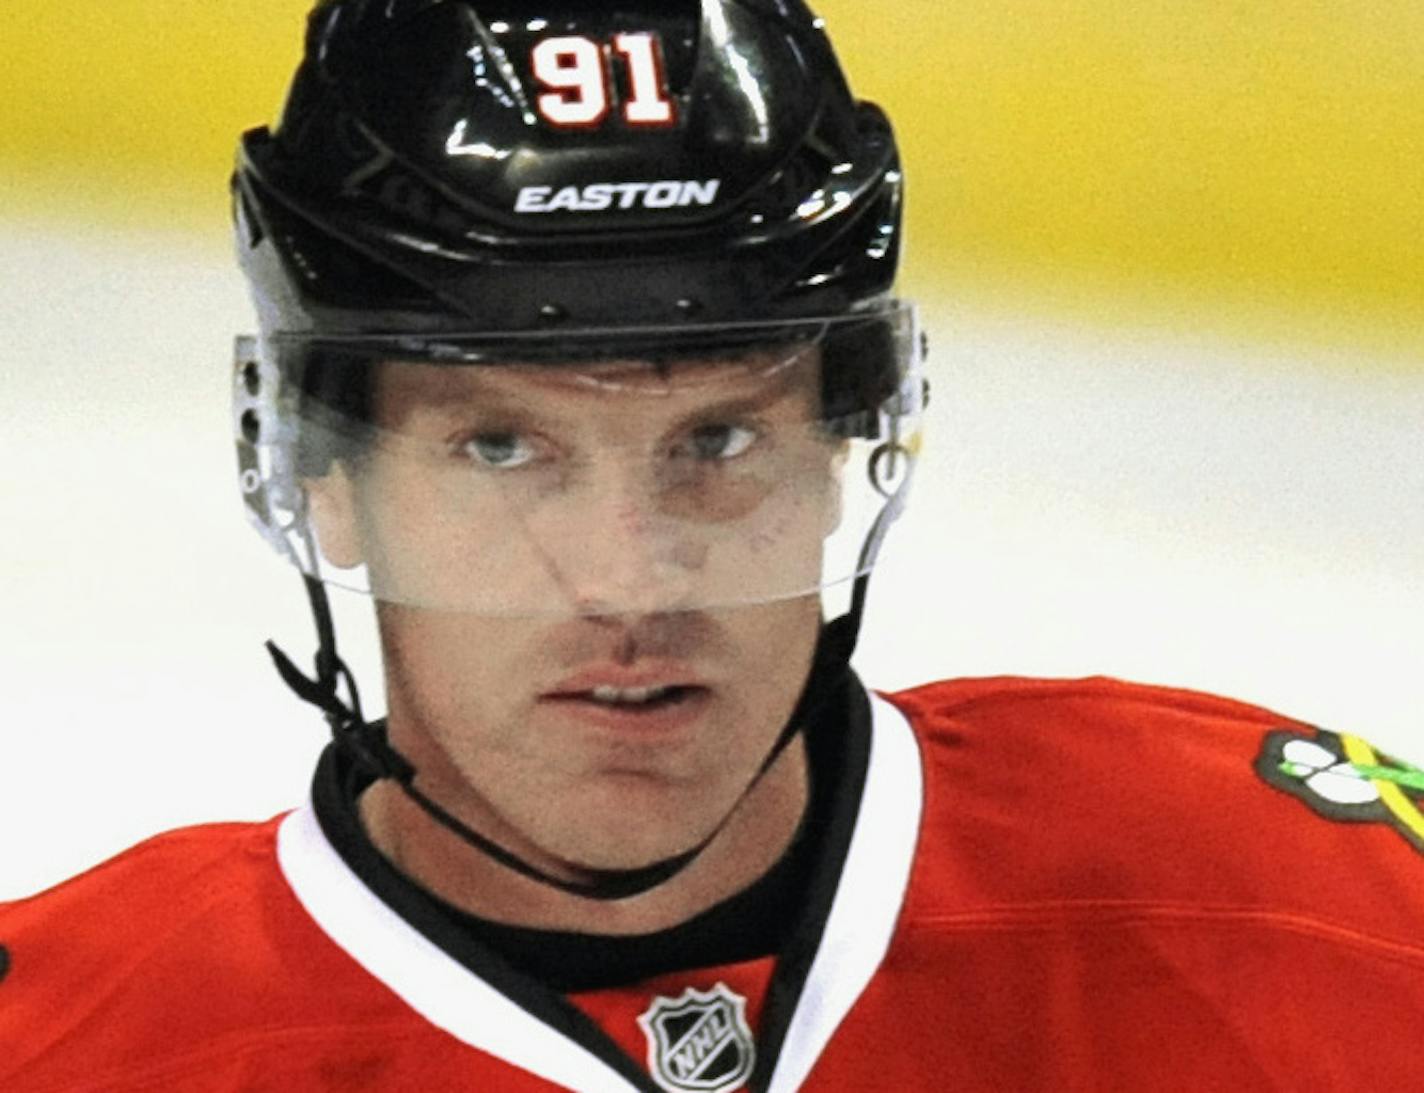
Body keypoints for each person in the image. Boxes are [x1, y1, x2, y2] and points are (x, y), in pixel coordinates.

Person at [3, 1, 1421, 1090]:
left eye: (720, 442)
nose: (628, 579)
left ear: (842, 448)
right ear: (324, 476)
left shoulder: (1326, 914)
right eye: (502, 449)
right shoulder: (61, 1040)